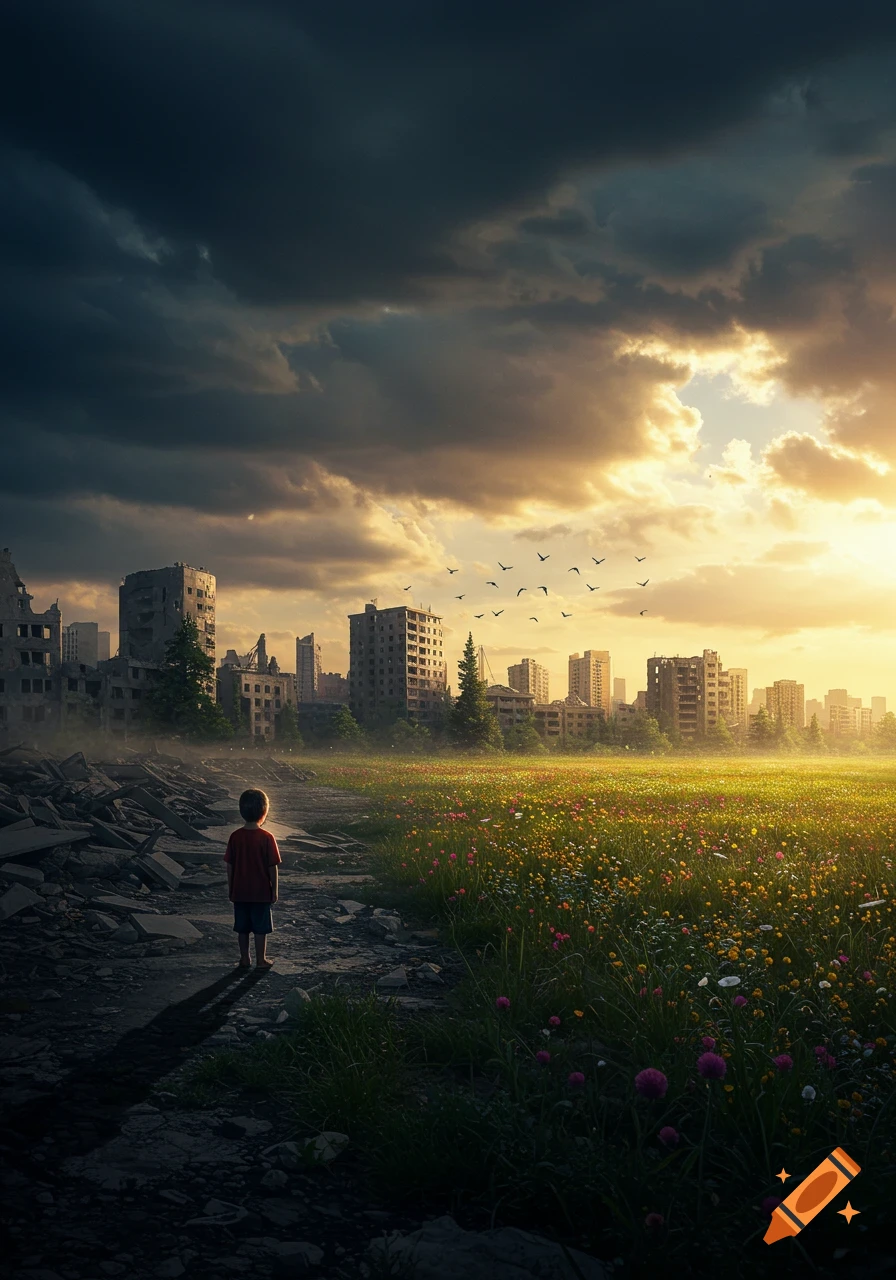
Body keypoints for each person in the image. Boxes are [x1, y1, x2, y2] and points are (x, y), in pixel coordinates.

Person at [224, 788, 281, 970]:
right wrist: (275, 891)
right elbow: (272, 867)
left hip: (240, 891)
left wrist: (231, 887)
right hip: (261, 893)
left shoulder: (235, 837)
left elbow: (230, 866)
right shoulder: (267, 838)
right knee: (260, 929)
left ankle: (244, 959)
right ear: (264, 813)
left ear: (241, 811)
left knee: (242, 928)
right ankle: (261, 959)